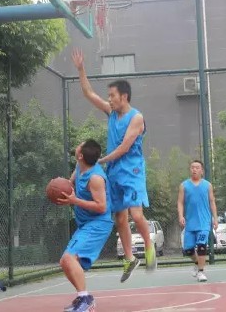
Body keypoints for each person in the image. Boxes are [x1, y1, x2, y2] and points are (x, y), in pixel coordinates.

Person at [72, 49, 156, 283]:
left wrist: (100, 161)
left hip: (132, 171)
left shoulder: (136, 118)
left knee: (136, 214)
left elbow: (124, 147)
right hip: (115, 172)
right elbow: (88, 93)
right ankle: (129, 258)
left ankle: (149, 247)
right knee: (120, 218)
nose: (109, 99)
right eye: (108, 96)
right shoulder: (111, 113)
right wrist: (81, 69)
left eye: (112, 95)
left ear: (124, 96)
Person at [56, 140, 114, 312]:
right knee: (64, 262)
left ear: (80, 155)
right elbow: (70, 183)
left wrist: (74, 201)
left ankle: (85, 300)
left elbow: (101, 206)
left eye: (79, 145)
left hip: (98, 224)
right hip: (85, 224)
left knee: (69, 259)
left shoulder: (95, 178)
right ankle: (84, 297)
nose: (77, 145)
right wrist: (61, 189)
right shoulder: (79, 166)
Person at [177, 160, 218, 282]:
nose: (194, 169)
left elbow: (212, 202)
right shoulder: (184, 185)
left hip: (204, 222)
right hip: (190, 223)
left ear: (202, 171)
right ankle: (197, 263)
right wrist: (181, 216)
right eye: (192, 167)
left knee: (201, 246)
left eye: (197, 167)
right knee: (188, 249)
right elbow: (180, 202)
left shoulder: (207, 185)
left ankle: (201, 271)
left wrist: (215, 218)